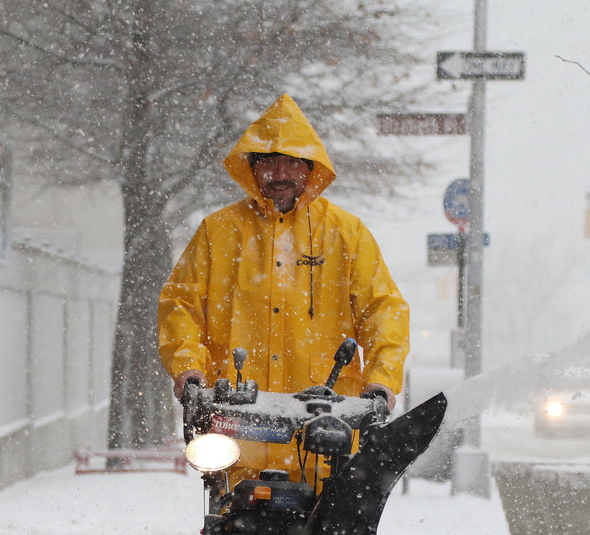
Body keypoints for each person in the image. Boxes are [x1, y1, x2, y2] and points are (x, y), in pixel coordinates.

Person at [158, 93, 410, 484]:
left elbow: (383, 311)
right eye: (269, 161)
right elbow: (181, 307)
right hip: (235, 429)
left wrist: (382, 379)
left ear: (312, 170)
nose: (280, 173)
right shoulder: (218, 233)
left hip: (325, 433)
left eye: (293, 162)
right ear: (252, 169)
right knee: (226, 533)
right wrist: (190, 370)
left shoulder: (346, 234)